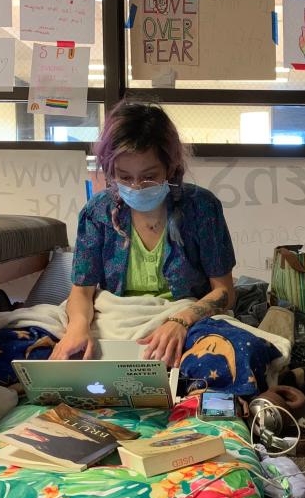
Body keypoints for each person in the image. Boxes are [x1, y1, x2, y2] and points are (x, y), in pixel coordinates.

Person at [50, 102, 236, 366]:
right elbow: (82, 292)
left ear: (170, 168)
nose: (136, 187)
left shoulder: (201, 208)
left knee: (232, 354)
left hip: (183, 318)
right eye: (124, 177)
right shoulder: (97, 213)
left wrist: (181, 320)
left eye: (149, 177)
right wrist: (78, 329)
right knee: (21, 343)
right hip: (113, 317)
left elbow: (224, 291)